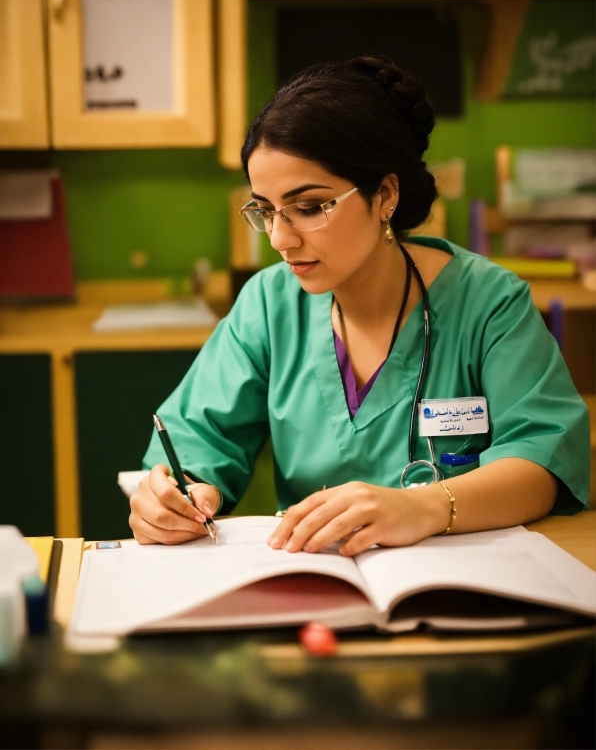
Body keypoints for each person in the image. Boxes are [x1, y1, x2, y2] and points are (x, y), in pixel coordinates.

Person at [130, 55, 589, 554]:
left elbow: (541, 462)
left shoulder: (488, 304)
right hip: (317, 588)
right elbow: (197, 440)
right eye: (265, 211)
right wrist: (172, 497)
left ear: (385, 195)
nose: (280, 239)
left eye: (308, 208)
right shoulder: (268, 305)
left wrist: (425, 507)